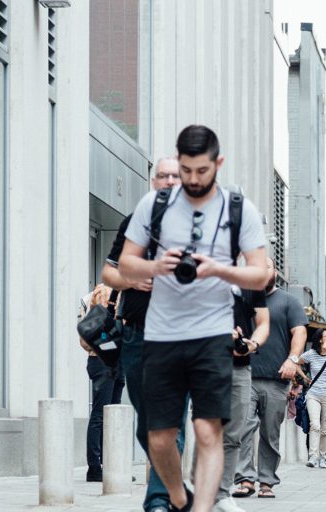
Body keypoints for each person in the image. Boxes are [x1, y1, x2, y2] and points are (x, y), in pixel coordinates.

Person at [119, 125, 269, 512]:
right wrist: (156, 266)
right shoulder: (155, 205)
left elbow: (261, 273)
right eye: (185, 170)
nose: (192, 179)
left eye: (201, 170)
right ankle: (177, 496)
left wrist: (219, 270)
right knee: (159, 437)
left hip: (212, 333)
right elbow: (124, 263)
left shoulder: (239, 209)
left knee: (207, 430)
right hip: (161, 335)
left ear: (218, 163)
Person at [101, 156, 183, 511]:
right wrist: (132, 278)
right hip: (136, 334)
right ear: (153, 182)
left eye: (174, 176)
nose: (167, 181)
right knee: (146, 423)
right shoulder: (134, 223)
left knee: (171, 421)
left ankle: (159, 500)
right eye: (162, 176)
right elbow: (109, 273)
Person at [234, 257, 308, 499]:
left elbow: (300, 331)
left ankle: (267, 481)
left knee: (270, 432)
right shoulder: (241, 300)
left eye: (266, 267)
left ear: (274, 271)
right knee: (243, 427)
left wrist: (293, 359)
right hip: (244, 375)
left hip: (277, 379)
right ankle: (245, 479)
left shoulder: (288, 301)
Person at [214, 284, 269, 512]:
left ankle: (222, 495)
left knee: (235, 432)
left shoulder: (250, 283)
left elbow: (263, 322)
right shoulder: (199, 274)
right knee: (207, 430)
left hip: (240, 367)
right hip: (205, 363)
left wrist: (252, 343)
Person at [78, 283, 126, 483]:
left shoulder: (97, 294)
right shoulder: (107, 293)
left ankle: (108, 466)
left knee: (111, 415)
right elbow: (101, 329)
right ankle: (95, 468)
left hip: (108, 360)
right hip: (104, 360)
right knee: (101, 414)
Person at [300, 328, 326, 468]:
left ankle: (322, 456)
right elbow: (297, 362)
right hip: (313, 394)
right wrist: (305, 377)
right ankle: (313, 456)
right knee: (315, 425)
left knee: (325, 429)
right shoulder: (311, 354)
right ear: (320, 339)